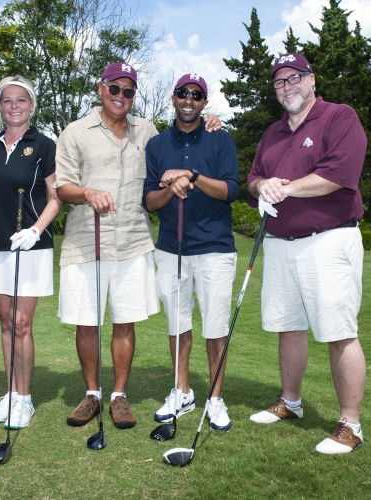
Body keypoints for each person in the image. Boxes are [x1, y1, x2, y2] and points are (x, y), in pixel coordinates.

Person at [55, 62, 222, 429]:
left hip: (132, 241)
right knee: (86, 323)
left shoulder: (147, 131)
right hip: (86, 242)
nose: (121, 97)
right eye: (114, 89)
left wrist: (211, 123)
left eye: (128, 91)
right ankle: (92, 395)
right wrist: (86, 192)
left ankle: (118, 395)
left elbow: (181, 141)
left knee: (124, 322)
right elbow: (62, 186)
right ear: (101, 89)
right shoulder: (75, 131)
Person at [246, 53, 367, 454]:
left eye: (295, 78)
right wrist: (263, 186)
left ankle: (350, 424)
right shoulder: (272, 132)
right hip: (281, 245)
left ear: (312, 79)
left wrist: (285, 187)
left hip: (328, 241)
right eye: (280, 82)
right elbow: (252, 178)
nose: (288, 87)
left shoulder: (339, 117)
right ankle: (291, 403)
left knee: (338, 332)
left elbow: (339, 173)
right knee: (288, 327)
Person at [143, 73, 240, 432]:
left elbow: (231, 190)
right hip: (172, 247)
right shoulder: (156, 145)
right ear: (173, 98)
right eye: (183, 93)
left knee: (215, 327)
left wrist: (192, 175)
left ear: (205, 102)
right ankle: (181, 391)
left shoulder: (221, 140)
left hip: (214, 247)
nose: (189, 99)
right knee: (178, 324)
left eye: (197, 95)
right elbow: (150, 201)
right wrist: (171, 187)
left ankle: (215, 398)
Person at [0, 76, 61, 430]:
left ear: (31, 105)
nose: (14, 106)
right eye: (7, 100)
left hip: (30, 246)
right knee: (6, 323)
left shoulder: (44, 145)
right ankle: (9, 392)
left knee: (22, 324)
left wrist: (36, 230)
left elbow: (56, 198)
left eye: (21, 100)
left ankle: (24, 398)